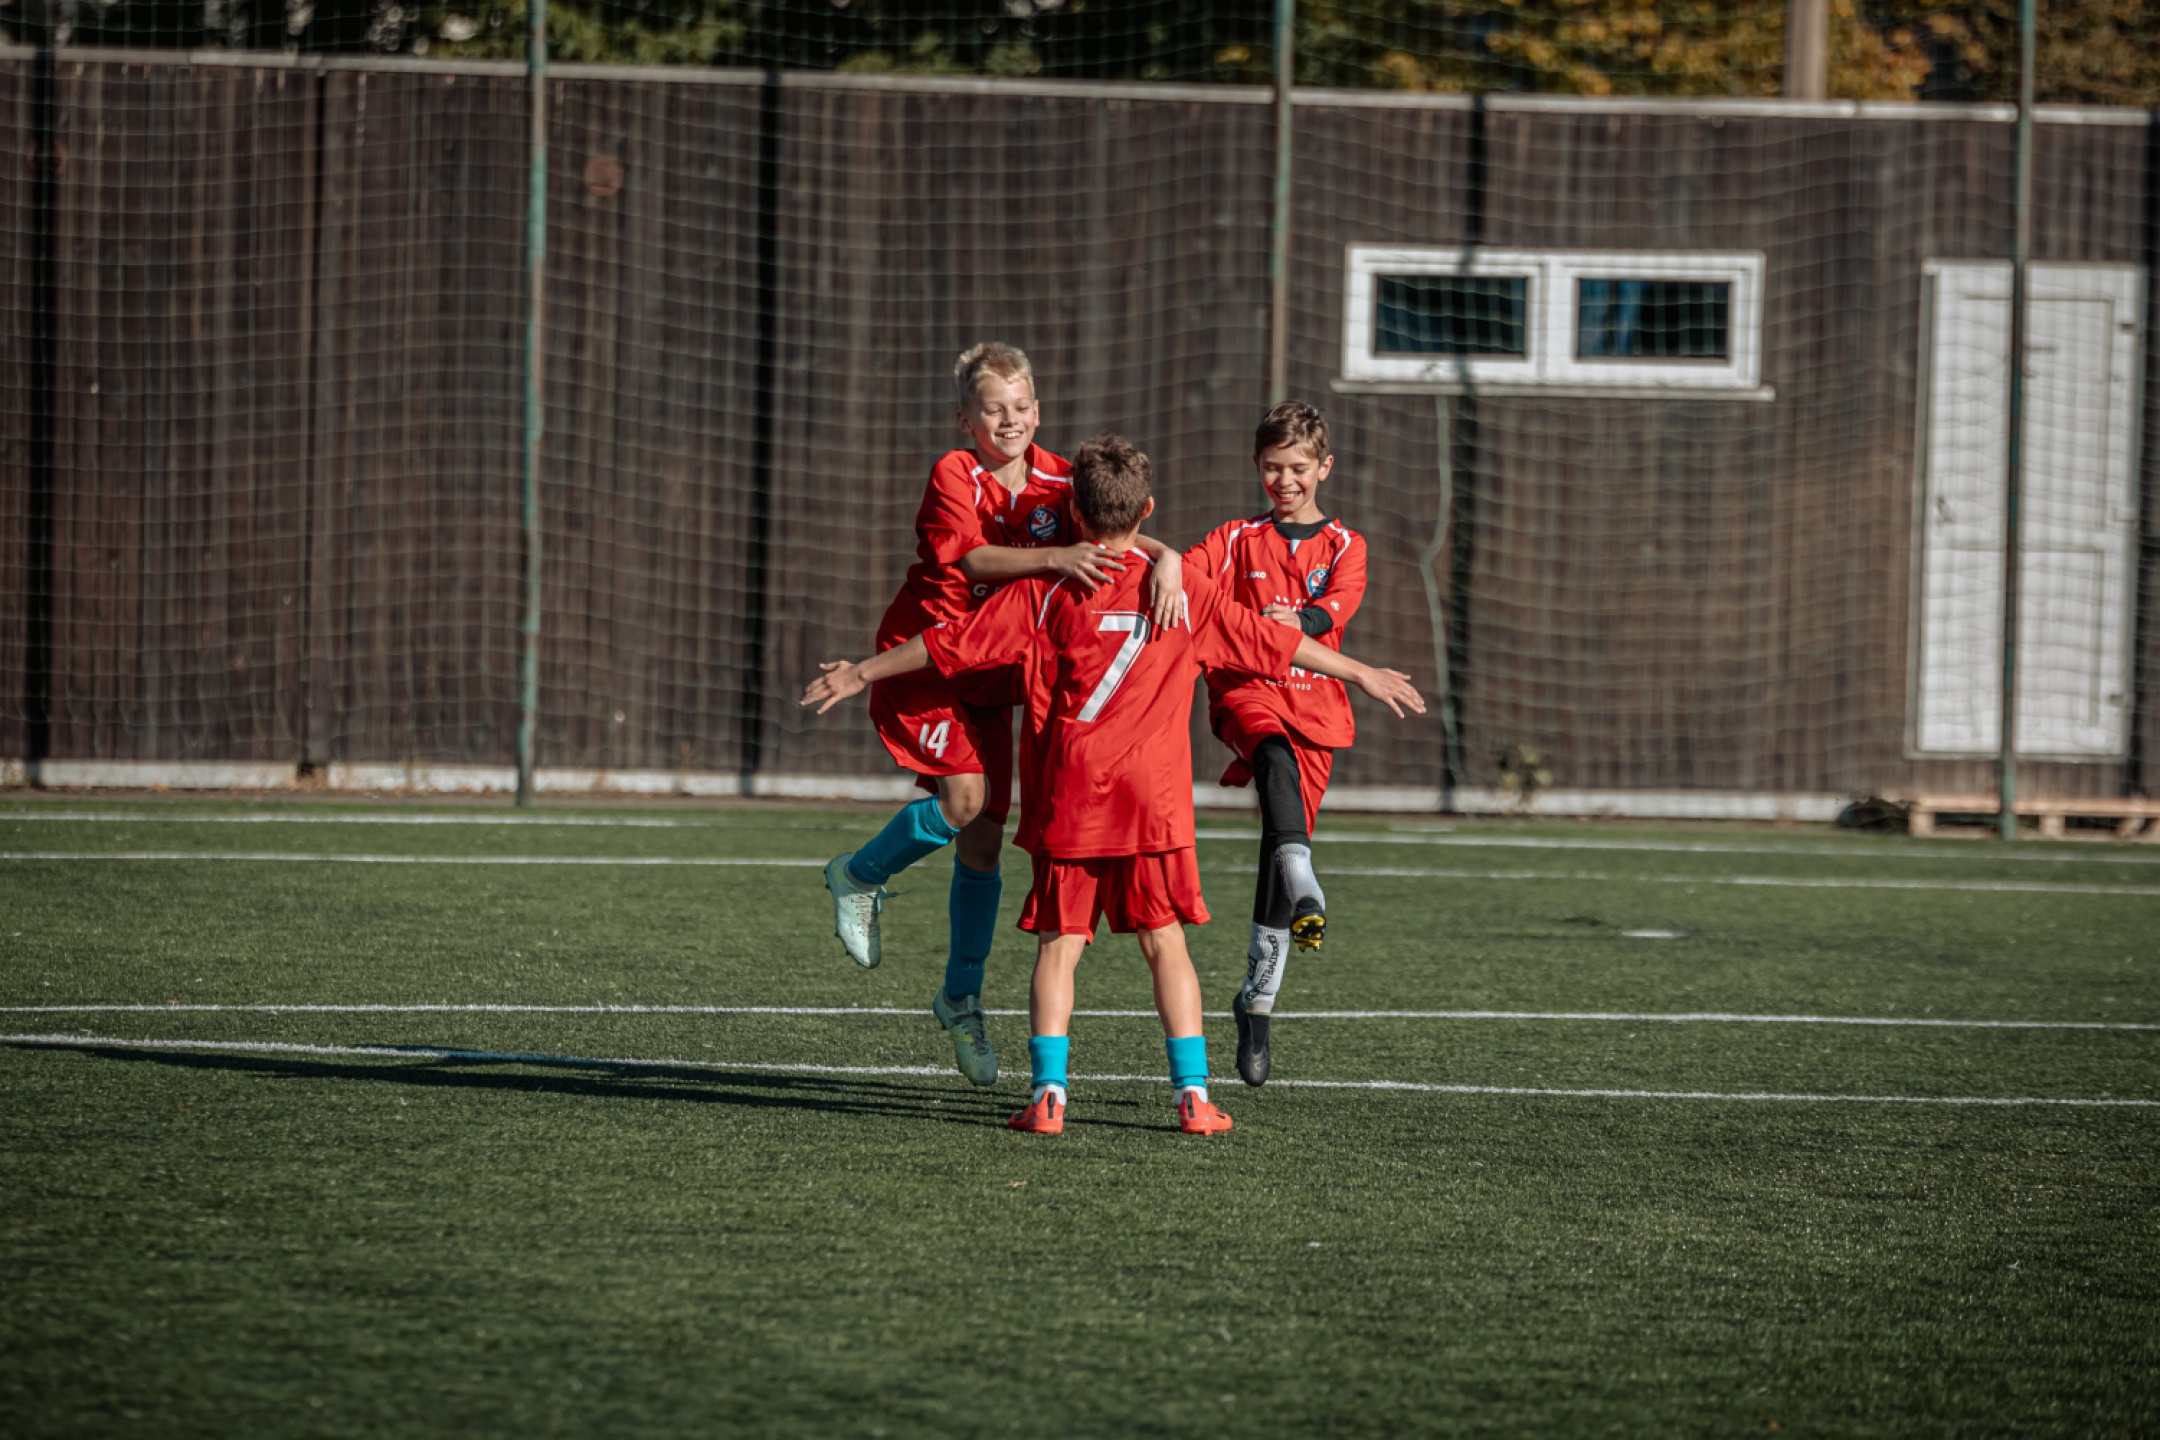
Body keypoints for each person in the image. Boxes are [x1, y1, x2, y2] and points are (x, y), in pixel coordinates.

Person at [802, 434, 1423, 1135]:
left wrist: (862, 671)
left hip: (1070, 802)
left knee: (1059, 948)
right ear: (1148, 509)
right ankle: (1193, 1098)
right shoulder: (1183, 591)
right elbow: (1275, 643)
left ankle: (1048, 1097)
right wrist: (1362, 672)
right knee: (1166, 945)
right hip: (1152, 807)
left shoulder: (1043, 591)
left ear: (1073, 511)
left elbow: (948, 644)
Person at [818, 344, 1184, 1090]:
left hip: (994, 674)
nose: (1009, 421)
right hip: (928, 661)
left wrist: (1168, 555)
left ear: (1038, 411)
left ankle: (961, 999)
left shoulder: (1059, 479)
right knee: (965, 800)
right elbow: (973, 561)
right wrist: (1055, 560)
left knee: (984, 843)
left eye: (1020, 407)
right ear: (967, 420)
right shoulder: (955, 473)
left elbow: (1113, 525)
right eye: (993, 410)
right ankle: (858, 875)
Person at [1183, 401, 1367, 1087]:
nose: (1284, 480)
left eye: (1297, 467)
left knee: (1279, 854)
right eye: (1271, 467)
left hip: (1315, 706)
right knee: (1270, 753)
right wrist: (1158, 562)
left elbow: (1334, 607)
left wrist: (1302, 620)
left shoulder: (1346, 545)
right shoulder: (1235, 538)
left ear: (1324, 467)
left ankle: (1257, 1002)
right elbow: (1186, 572)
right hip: (1246, 691)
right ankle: (1306, 880)